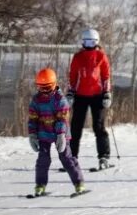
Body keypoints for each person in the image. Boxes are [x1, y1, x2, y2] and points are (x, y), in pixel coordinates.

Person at [27, 68, 86, 198]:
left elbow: (62, 119)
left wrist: (61, 135)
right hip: (43, 133)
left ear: (53, 85)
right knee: (43, 159)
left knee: (66, 157)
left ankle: (79, 183)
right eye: (41, 88)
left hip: (61, 134)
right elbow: (33, 118)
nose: (44, 91)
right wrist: (32, 134)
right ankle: (40, 185)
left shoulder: (60, 100)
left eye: (47, 88)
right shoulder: (36, 100)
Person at [68, 27, 112, 170]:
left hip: (97, 96)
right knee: (75, 127)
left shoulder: (101, 56)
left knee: (98, 126)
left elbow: (105, 76)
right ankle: (71, 157)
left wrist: (107, 93)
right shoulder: (78, 57)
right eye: (86, 42)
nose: (89, 45)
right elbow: (73, 76)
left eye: (92, 42)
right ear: (82, 42)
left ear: (97, 42)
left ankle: (103, 157)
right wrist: (71, 92)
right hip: (80, 95)